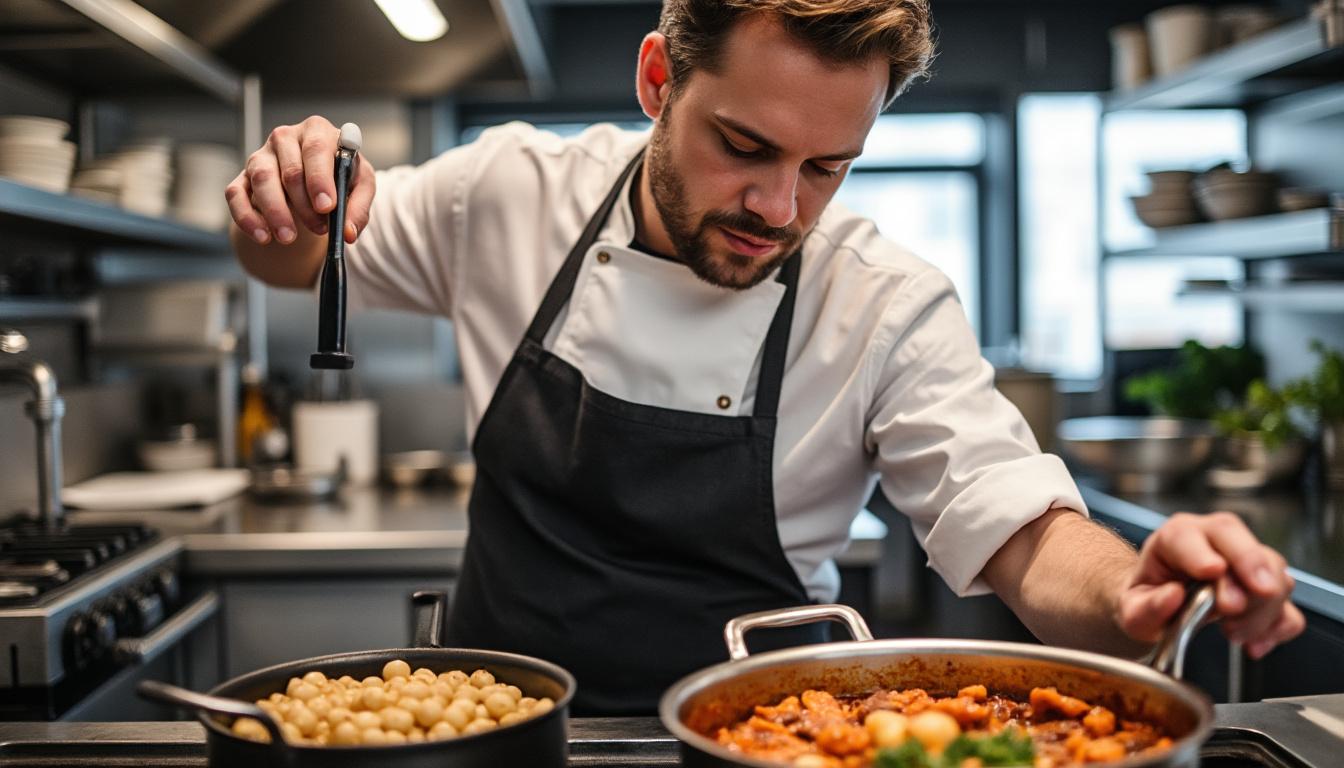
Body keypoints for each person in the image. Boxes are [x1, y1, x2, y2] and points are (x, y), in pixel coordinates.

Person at [226, 0, 1303, 715]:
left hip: (765, 739)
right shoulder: (508, 193)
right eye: (744, 148)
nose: (780, 208)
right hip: (497, 729)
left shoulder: (884, 302)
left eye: (829, 168)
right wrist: (282, 208)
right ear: (658, 79)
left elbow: (1023, 532)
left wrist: (1139, 591)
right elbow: (297, 262)